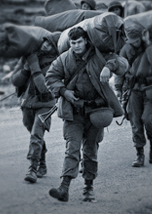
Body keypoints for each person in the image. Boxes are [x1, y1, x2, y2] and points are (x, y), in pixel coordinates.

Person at [45, 27, 128, 202]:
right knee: (72, 149)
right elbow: (51, 76)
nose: (75, 46)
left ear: (86, 41)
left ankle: (89, 189)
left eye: (79, 42)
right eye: (72, 43)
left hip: (96, 111)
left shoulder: (101, 55)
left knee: (91, 151)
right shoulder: (64, 59)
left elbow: (122, 63)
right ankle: (64, 188)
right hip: (74, 112)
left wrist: (108, 66)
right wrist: (63, 91)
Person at [10, 33, 60, 183]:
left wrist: (35, 67)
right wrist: (26, 68)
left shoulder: (57, 62)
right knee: (35, 135)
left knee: (36, 135)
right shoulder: (30, 56)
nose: (46, 45)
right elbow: (15, 81)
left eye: (50, 44)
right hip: (27, 103)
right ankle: (42, 162)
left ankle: (32, 168)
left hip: (46, 104)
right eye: (45, 42)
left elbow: (44, 88)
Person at [115, 27, 152, 167]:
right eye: (131, 41)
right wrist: (118, 89)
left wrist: (148, 44)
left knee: (148, 119)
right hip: (133, 89)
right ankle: (139, 154)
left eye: (136, 40)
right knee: (135, 122)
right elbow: (120, 69)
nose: (134, 43)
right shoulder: (126, 48)